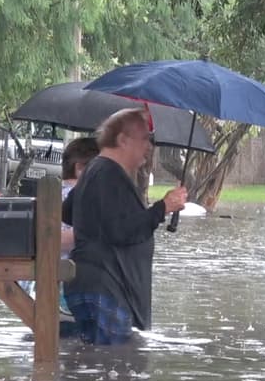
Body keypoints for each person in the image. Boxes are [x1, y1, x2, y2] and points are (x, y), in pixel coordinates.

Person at [62, 109, 186, 345]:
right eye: (144, 139)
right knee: (114, 371)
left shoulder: (96, 170)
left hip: (90, 285)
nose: (148, 146)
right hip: (107, 288)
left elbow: (69, 212)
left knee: (97, 367)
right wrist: (164, 207)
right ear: (122, 140)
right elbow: (123, 230)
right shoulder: (108, 174)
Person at [19, 136, 100, 330]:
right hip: (66, 284)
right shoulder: (80, 196)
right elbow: (54, 240)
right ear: (80, 168)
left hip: (36, 284)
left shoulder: (46, 195)